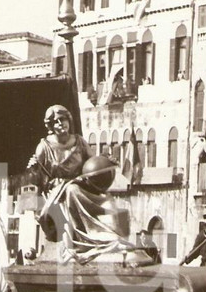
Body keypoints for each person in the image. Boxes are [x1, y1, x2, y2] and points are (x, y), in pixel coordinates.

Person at [30, 105, 149, 264]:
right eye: (56, 122)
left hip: (82, 185)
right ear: (51, 126)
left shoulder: (79, 142)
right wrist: (34, 170)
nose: (60, 124)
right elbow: (39, 182)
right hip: (58, 192)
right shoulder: (44, 147)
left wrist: (106, 161)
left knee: (107, 200)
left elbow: (93, 163)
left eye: (63, 119)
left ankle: (108, 238)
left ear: (69, 120)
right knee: (72, 190)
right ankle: (86, 240)